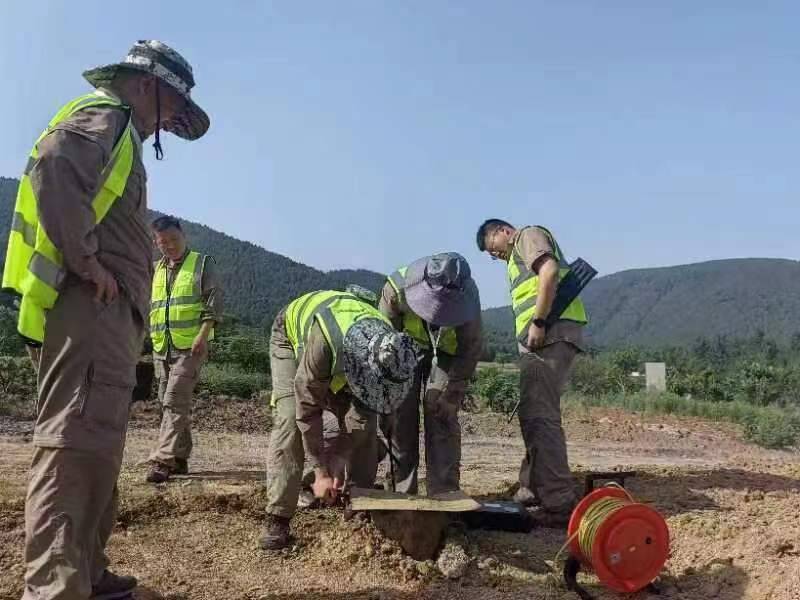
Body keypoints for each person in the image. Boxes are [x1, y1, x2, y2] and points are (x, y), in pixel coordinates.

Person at [2, 40, 209, 599]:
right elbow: (54, 163)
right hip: (87, 311)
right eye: (172, 106)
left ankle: (86, 571)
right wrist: (87, 260)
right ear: (149, 85)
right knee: (73, 442)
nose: (171, 119)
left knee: (97, 442)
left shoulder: (120, 132)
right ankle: (55, 586)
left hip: (106, 320)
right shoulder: (107, 117)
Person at [261, 290, 418, 550]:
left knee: (365, 428)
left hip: (347, 358)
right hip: (291, 337)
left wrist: (340, 458)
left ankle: (359, 504)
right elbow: (307, 410)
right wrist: (321, 471)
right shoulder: (325, 343)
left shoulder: (390, 348)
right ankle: (277, 517)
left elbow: (360, 419)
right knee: (289, 420)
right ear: (362, 368)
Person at [475, 219, 588, 527]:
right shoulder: (515, 257)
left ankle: (558, 500)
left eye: (491, 248)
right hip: (543, 341)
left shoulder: (527, 236)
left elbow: (549, 271)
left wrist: (538, 322)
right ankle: (531, 487)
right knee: (532, 413)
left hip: (550, 334)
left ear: (502, 232)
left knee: (541, 416)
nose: (492, 256)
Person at [378, 252, 482, 495]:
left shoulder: (469, 296)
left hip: (446, 355)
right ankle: (400, 493)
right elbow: (383, 343)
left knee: (440, 410)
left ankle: (444, 494)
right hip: (403, 351)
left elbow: (471, 346)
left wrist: (453, 393)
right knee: (400, 417)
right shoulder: (396, 289)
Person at [145, 216, 223, 483]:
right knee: (167, 401)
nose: (170, 245)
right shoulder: (155, 269)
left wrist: (203, 336)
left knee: (174, 400)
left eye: (174, 239)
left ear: (183, 235)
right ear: (156, 243)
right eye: (163, 242)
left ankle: (163, 459)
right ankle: (180, 456)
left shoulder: (202, 263)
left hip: (192, 345)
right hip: (162, 346)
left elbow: (214, 302)